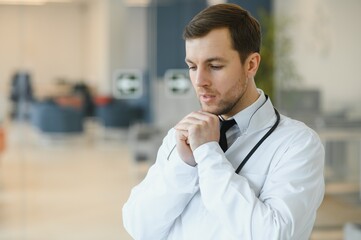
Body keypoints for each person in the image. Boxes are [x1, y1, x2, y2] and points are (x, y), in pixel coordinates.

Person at [122, 3, 324, 240]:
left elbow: (273, 235)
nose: (199, 81)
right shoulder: (181, 136)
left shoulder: (297, 144)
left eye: (215, 66)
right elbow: (139, 227)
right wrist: (184, 166)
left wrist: (207, 154)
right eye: (192, 66)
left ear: (251, 64)